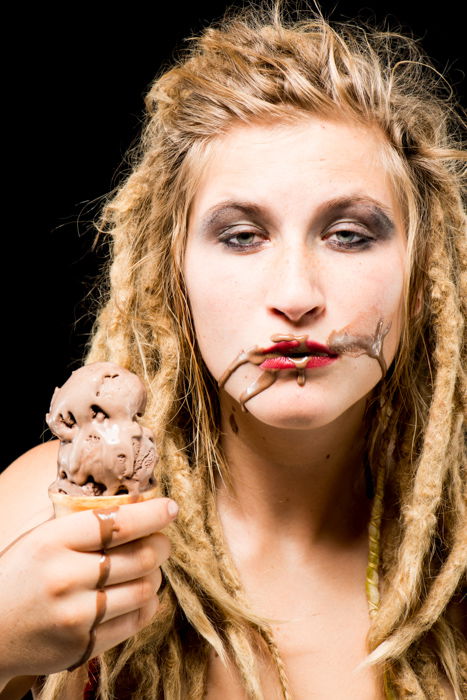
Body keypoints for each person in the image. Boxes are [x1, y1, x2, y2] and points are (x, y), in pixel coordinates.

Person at [0, 2, 465, 698]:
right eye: (242, 236)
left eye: (348, 234)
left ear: (421, 271)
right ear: (171, 272)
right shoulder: (41, 513)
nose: (296, 294)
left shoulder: (453, 557)